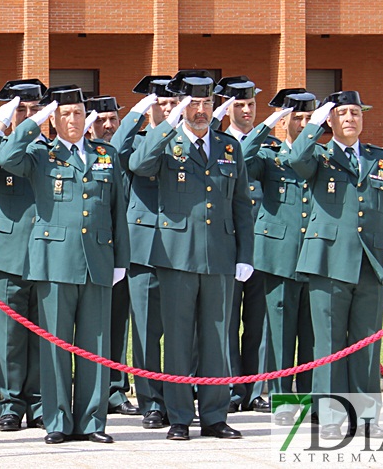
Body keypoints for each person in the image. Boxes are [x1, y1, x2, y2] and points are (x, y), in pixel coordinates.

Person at [0, 86, 128, 445]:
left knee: (95, 346)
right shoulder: (40, 153)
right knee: (55, 344)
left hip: (97, 262)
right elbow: (7, 157)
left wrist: (121, 261)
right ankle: (56, 420)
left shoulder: (106, 154)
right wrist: (32, 123)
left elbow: (119, 210)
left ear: (88, 117)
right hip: (54, 262)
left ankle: (92, 421)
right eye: (65, 114)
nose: (73, 120)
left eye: (79, 113)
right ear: (54, 119)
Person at [128, 70, 253, 441]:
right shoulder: (166, 143)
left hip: (220, 256)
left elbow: (241, 205)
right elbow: (138, 165)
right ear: (183, 107)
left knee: (216, 340)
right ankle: (180, 416)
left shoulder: (229, 146)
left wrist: (244, 253)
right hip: (176, 256)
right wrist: (167, 122)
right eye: (193, 104)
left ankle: (214, 416)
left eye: (207, 103)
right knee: (179, 340)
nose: (201, 111)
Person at [289, 91, 383, 438]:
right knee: (327, 344)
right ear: (331, 120)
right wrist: (313, 123)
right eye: (342, 114)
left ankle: (366, 416)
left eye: (355, 113)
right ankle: (329, 415)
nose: (350, 119)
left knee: (367, 343)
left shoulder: (380, 159)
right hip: (327, 263)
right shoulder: (319, 156)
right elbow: (296, 159)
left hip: (370, 264)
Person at [0, 79, 47, 432]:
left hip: (48, 253)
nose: (29, 117)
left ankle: (41, 401)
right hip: (7, 252)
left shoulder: (53, 147)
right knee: (8, 336)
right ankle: (10, 402)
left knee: (44, 333)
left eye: (35, 110)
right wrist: (0, 124)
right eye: (21, 110)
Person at [241, 88, 315, 425]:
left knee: (312, 335)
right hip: (278, 256)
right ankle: (284, 402)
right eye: (296, 117)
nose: (301, 123)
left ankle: (311, 400)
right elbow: (240, 157)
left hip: (314, 256)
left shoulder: (322, 156)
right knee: (281, 334)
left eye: (306, 117)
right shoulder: (269, 156)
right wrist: (268, 123)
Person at [112, 76, 176, 430]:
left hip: (184, 247)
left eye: (173, 103)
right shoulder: (135, 139)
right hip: (145, 250)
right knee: (147, 331)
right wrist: (137, 112)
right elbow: (118, 148)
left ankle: (183, 394)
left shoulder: (188, 139)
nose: (169, 110)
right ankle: (151, 400)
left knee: (186, 331)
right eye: (162, 104)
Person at [212, 76, 271, 414]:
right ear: (226, 107)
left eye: (251, 105)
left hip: (260, 244)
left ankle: (257, 388)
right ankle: (231, 386)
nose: (247, 111)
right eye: (239, 105)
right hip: (225, 243)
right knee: (225, 320)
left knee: (258, 321)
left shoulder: (270, 147)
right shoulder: (219, 144)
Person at [86, 95, 139, 418]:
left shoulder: (124, 152)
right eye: (101, 120)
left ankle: (115, 389)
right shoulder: (86, 154)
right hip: (89, 252)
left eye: (113, 120)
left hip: (118, 251)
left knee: (116, 326)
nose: (107, 126)